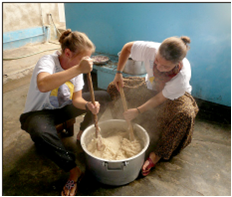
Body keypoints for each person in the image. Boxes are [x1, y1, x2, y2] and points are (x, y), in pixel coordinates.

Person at [19, 29, 111, 196]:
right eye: (83, 60)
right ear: (67, 53)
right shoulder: (47, 61)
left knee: (103, 97)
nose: (85, 64)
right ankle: (73, 170)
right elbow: (43, 85)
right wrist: (78, 69)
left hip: (63, 108)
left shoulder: (76, 69)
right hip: (39, 113)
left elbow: (76, 99)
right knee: (41, 132)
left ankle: (82, 133)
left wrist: (89, 105)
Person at [107, 36, 199, 177]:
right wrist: (118, 73)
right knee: (114, 87)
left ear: (177, 63)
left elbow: (159, 98)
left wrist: (138, 110)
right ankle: (121, 123)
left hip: (174, 96)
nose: (159, 67)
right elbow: (127, 48)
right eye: (157, 61)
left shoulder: (181, 77)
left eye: (166, 66)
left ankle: (157, 155)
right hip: (151, 85)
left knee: (185, 114)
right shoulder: (150, 49)